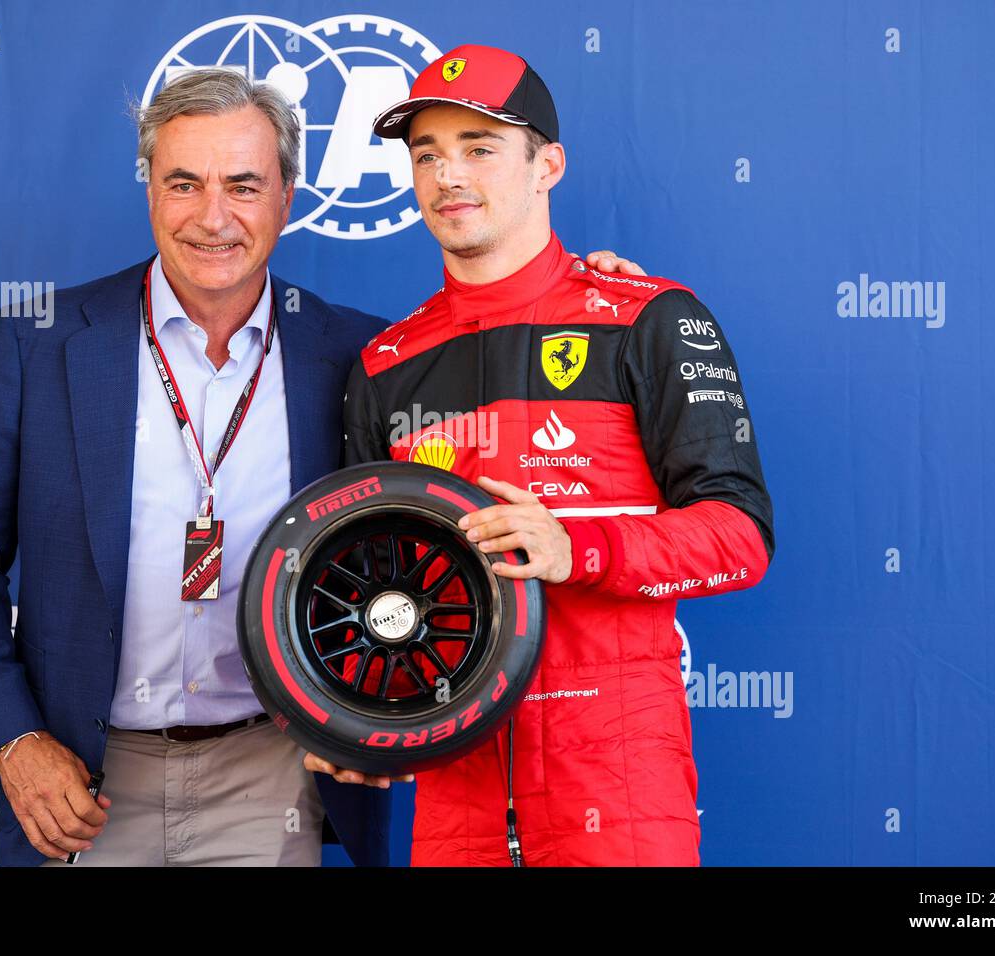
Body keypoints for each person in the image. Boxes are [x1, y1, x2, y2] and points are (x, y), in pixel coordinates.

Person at [0, 67, 638, 866]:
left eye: (244, 185)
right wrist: (14, 739)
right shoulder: (39, 340)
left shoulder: (360, 355)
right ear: (149, 188)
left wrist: (572, 293)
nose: (213, 217)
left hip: (274, 775)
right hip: (82, 778)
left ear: (288, 198)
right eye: (184, 183)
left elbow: (453, 485)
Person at [320, 44, 776, 865]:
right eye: (428, 155)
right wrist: (355, 718)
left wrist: (580, 548)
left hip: (618, 774)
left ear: (548, 166)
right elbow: (368, 577)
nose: (449, 175)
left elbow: (740, 539)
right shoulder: (387, 364)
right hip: (453, 779)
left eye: (480, 148)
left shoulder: (652, 318)